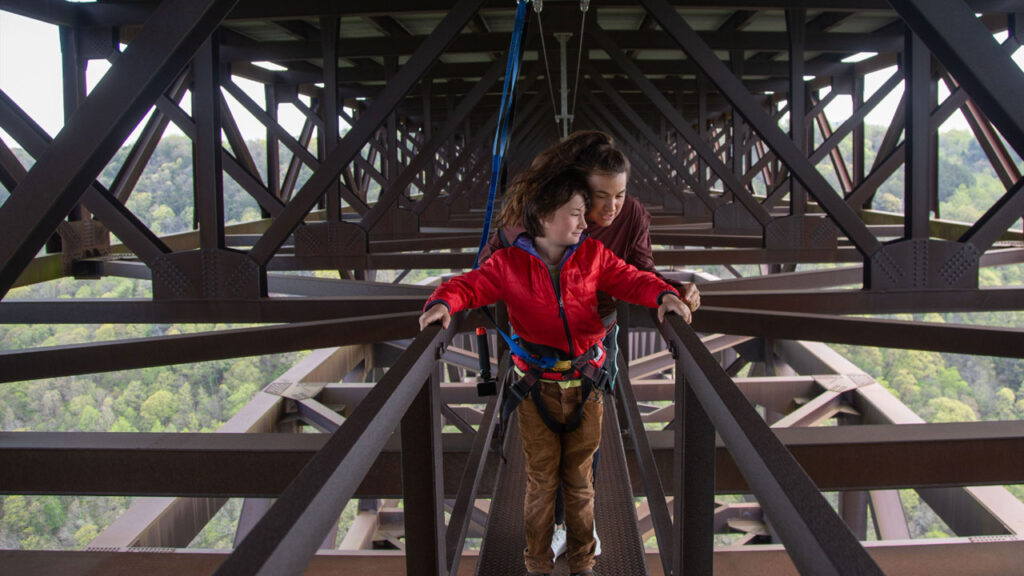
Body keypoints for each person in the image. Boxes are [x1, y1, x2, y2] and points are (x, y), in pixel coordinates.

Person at [419, 167, 691, 576]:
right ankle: (537, 564)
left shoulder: (593, 257)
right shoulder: (508, 265)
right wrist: (441, 304)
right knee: (542, 484)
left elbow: (632, 280)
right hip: (536, 392)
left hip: (586, 386)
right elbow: (470, 285)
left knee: (580, 485)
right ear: (545, 217)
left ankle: (582, 563)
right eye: (576, 213)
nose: (587, 222)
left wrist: (665, 295)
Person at [479, 130, 700, 558]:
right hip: (540, 344)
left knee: (586, 431)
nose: (612, 208)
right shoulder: (549, 211)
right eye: (601, 196)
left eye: (620, 194)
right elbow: (494, 259)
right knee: (548, 438)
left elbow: (640, 270)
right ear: (579, 189)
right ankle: (552, 525)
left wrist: (671, 290)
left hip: (596, 337)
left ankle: (570, 524)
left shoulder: (632, 215)